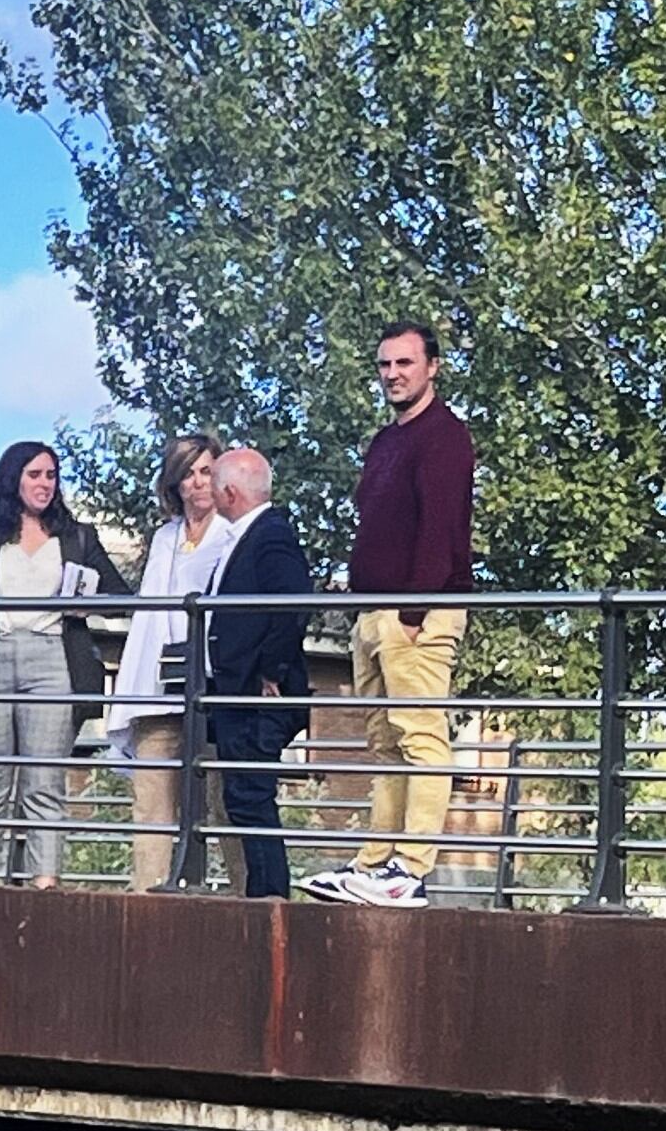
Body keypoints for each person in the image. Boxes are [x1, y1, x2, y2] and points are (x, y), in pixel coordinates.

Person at [303, 319, 477, 906]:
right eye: (385, 365)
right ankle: (377, 859)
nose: (394, 374)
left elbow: (441, 527)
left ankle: (411, 866)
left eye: (405, 363)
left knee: (422, 735)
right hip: (371, 613)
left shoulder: (444, 436)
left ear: (431, 367)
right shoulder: (385, 442)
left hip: (417, 612)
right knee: (384, 741)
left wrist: (415, 608)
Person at [0, 439, 132, 887]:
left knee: (44, 782)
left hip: (54, 660)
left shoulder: (77, 535)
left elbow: (123, 597)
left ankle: (46, 884)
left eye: (51, 475)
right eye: (35, 475)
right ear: (13, 479)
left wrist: (89, 603)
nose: (45, 484)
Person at [105, 432, 238, 889]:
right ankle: (148, 900)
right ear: (175, 482)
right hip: (157, 687)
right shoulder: (164, 538)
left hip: (211, 689)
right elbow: (147, 617)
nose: (198, 483)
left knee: (222, 804)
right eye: (188, 474)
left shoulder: (234, 533)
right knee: (151, 802)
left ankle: (247, 899)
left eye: (206, 471)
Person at [204, 447, 312, 899]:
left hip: (256, 694)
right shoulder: (252, 537)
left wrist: (271, 669)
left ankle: (269, 896)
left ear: (229, 491)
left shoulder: (269, 536)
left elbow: (294, 601)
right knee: (244, 795)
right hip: (238, 691)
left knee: (250, 795)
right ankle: (264, 894)